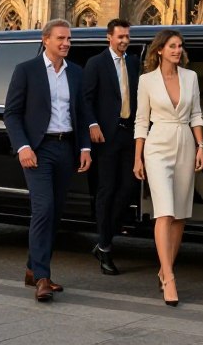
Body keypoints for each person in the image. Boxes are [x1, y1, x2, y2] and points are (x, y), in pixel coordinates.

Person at [3, 19, 92, 302]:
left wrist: (85, 148)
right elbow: (12, 113)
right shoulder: (26, 71)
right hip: (38, 150)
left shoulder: (75, 73)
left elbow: (82, 112)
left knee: (54, 213)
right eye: (61, 38)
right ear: (46, 40)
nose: (66, 43)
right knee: (43, 209)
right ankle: (42, 278)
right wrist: (23, 147)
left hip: (66, 148)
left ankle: (32, 268)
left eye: (69, 39)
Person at [133, 29, 203, 307]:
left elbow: (197, 114)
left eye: (180, 46)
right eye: (172, 46)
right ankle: (170, 278)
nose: (177, 50)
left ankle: (164, 268)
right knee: (164, 211)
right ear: (159, 50)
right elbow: (141, 121)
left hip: (186, 144)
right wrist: (138, 157)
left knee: (179, 215)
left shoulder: (191, 77)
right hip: (157, 146)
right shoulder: (146, 80)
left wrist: (201, 146)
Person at [82, 18, 140, 275]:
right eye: (120, 37)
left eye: (127, 37)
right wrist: (92, 124)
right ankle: (105, 247)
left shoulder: (135, 63)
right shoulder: (96, 63)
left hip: (129, 133)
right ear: (109, 37)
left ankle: (103, 241)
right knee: (106, 190)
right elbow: (86, 98)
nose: (124, 41)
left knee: (128, 188)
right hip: (105, 136)